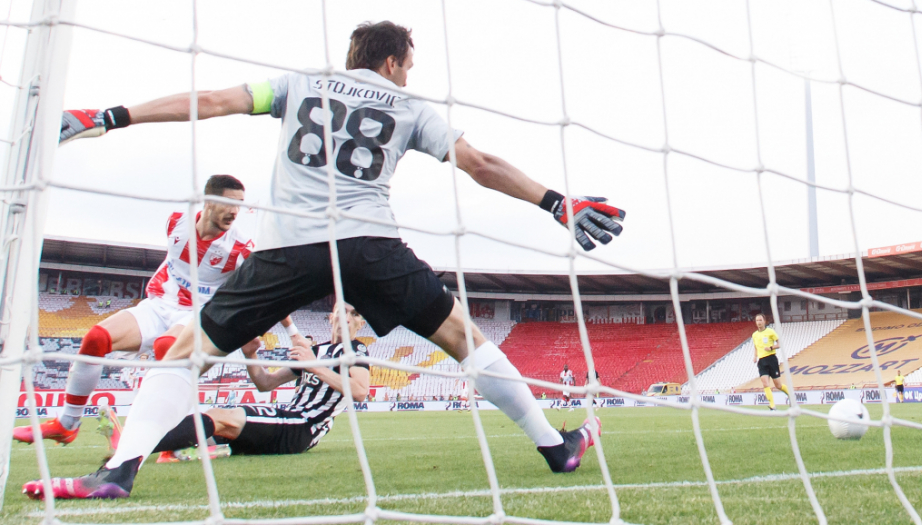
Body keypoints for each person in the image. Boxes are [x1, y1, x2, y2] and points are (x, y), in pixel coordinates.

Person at [25, 20, 620, 500]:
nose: (408, 74)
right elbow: (480, 164)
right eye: (408, 65)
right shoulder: (410, 107)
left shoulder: (296, 84)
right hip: (370, 245)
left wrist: (112, 117)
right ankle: (554, 446)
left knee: (188, 354)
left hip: (290, 248)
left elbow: (210, 100)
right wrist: (555, 203)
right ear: (392, 63)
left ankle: (119, 472)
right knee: (463, 337)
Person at [13, 175, 271, 445]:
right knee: (95, 339)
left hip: (197, 314)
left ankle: (173, 438)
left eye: (239, 204)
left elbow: (262, 287)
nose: (234, 211)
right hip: (160, 304)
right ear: (207, 201)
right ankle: (67, 424)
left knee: (167, 348)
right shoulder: (176, 222)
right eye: (228, 203)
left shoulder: (241, 248)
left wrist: (289, 329)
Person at [154, 303, 368, 460]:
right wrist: (250, 355)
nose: (347, 317)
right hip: (288, 417)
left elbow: (359, 392)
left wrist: (314, 367)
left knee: (221, 418)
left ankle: (138, 447)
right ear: (331, 317)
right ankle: (181, 448)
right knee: (215, 427)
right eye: (342, 310)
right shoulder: (314, 351)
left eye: (355, 313)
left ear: (361, 323)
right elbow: (265, 383)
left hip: (304, 426)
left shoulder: (356, 350)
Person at [752, 313, 789, 410]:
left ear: (764, 321)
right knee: (765, 384)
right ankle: (772, 405)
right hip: (762, 361)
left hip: (771, 359)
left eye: (760, 320)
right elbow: (755, 347)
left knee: (778, 385)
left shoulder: (770, 332)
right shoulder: (754, 335)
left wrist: (771, 347)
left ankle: (791, 396)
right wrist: (755, 357)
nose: (759, 322)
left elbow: (779, 344)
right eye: (757, 320)